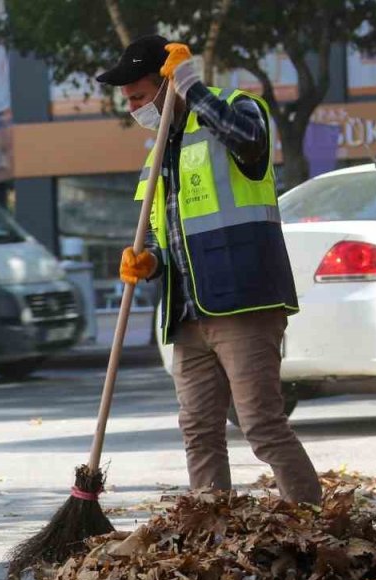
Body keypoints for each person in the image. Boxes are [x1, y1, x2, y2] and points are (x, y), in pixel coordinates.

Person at [99, 35, 322, 504]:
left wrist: (191, 86)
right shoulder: (157, 154)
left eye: (140, 96)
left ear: (167, 83)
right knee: (198, 431)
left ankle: (316, 527)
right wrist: (148, 262)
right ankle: (211, 531)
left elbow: (250, 141)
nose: (134, 107)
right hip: (186, 315)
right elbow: (164, 239)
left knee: (261, 426)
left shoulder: (237, 109)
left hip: (243, 300)